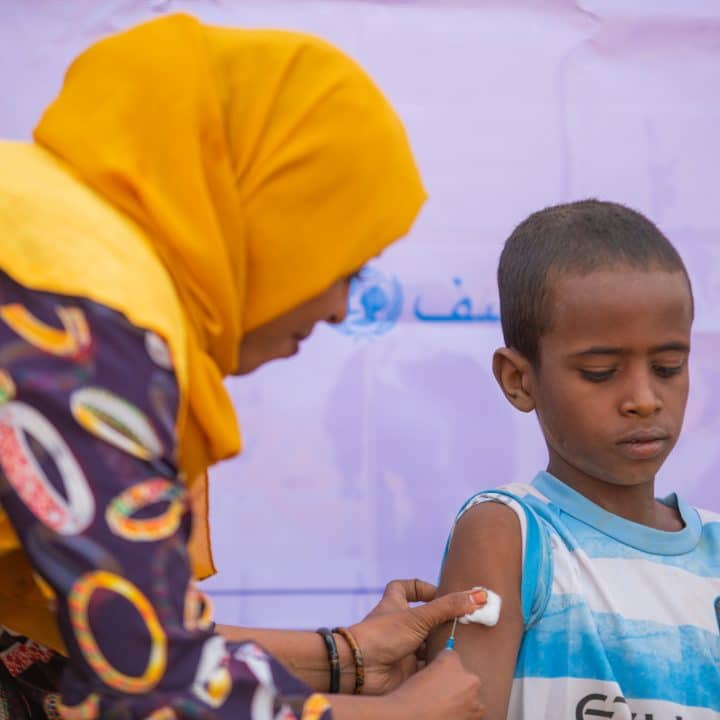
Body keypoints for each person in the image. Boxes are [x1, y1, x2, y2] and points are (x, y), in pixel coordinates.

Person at [0, 13, 487, 720]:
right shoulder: (84, 319)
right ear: (271, 207)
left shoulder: (44, 233)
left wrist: (348, 656)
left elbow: (101, 639)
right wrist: (403, 716)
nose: (339, 308)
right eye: (342, 261)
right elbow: (154, 696)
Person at [428, 200, 720, 719]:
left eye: (668, 366)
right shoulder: (509, 535)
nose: (644, 398)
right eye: (601, 372)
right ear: (519, 380)